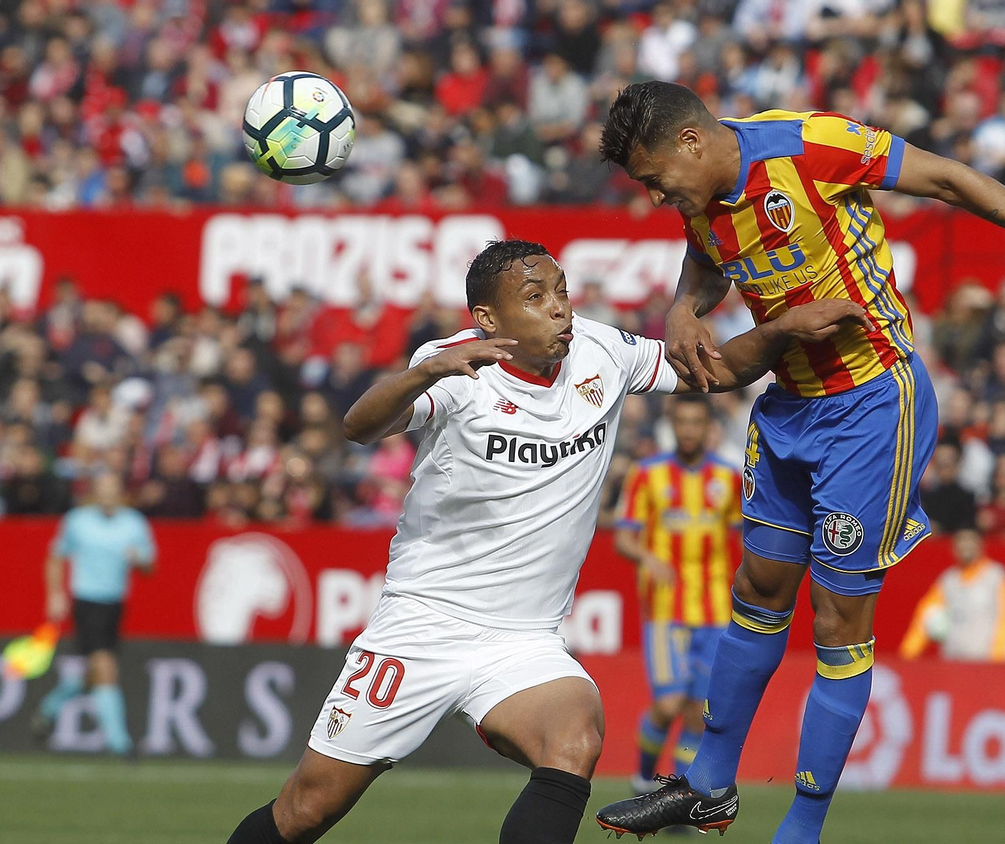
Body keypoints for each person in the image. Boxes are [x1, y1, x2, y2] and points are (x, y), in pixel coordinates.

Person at [593, 81, 1005, 841]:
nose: (655, 198)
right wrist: (684, 308)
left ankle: (803, 827)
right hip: (787, 407)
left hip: (871, 408)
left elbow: (948, 178)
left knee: (839, 619)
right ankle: (709, 785)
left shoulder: (810, 146)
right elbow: (708, 258)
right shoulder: (700, 202)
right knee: (758, 585)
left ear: (691, 142)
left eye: (654, 180)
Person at [222, 239, 872, 844]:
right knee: (308, 808)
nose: (559, 308)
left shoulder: (601, 351)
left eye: (560, 291)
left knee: (575, 738)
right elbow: (361, 426)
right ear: (489, 319)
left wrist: (782, 331)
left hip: (522, 640)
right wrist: (429, 371)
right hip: (423, 626)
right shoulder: (452, 368)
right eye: (535, 298)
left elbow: (716, 367)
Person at [614, 394, 741, 794]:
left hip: (716, 610)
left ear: (708, 427)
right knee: (668, 704)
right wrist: (648, 558)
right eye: (681, 422)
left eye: (696, 422)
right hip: (666, 608)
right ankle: (642, 777)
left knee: (695, 713)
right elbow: (623, 537)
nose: (688, 430)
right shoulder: (648, 474)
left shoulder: (728, 478)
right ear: (673, 425)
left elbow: (743, 539)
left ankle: (680, 795)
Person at [32, 471, 157, 757]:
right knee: (106, 667)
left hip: (114, 604)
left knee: (96, 673)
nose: (108, 495)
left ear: (121, 493)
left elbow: (150, 566)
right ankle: (120, 744)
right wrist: (55, 594)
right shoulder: (78, 521)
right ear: (95, 492)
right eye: (103, 489)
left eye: (113, 489)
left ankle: (53, 703)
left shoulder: (134, 524)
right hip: (86, 602)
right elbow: (55, 557)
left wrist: (138, 560)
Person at [897, 528, 1005, 663]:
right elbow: (926, 617)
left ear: (980, 546)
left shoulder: (997, 577)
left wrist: (998, 661)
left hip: (994, 663)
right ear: (953, 549)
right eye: (961, 542)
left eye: (970, 541)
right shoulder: (948, 581)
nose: (966, 546)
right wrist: (907, 655)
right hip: (958, 663)